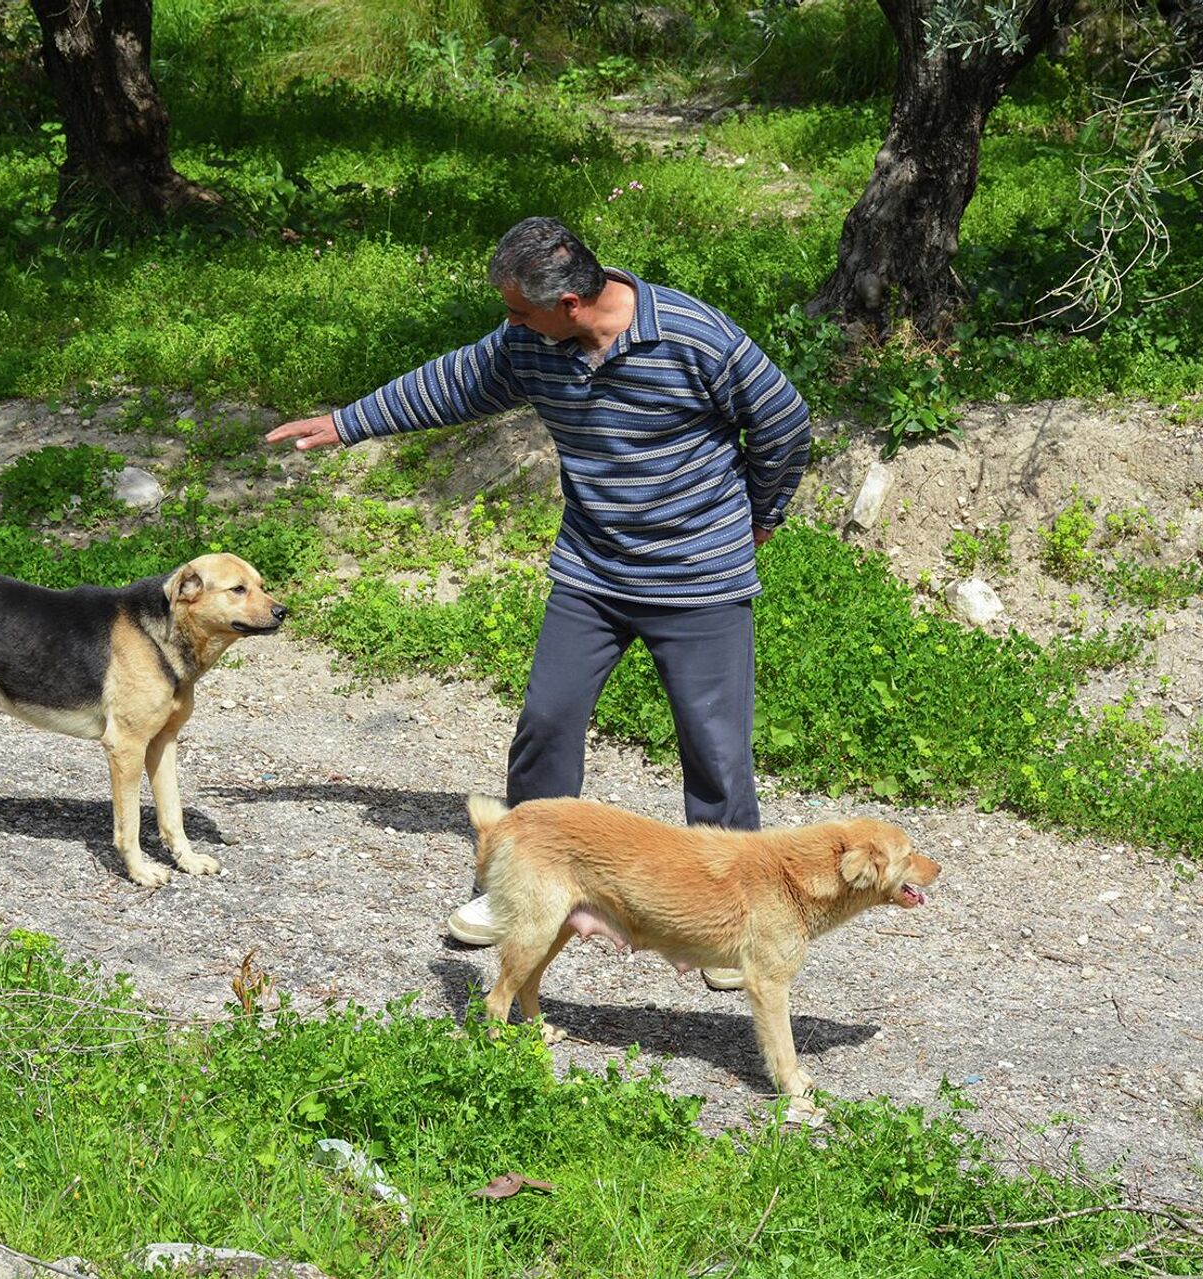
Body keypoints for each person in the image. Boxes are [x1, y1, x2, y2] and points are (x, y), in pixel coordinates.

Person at [265, 216, 811, 989]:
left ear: (574, 303)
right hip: (592, 572)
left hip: (699, 580)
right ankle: (516, 883)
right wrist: (349, 421)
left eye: (520, 311)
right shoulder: (532, 342)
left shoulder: (696, 336)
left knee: (716, 752)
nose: (508, 326)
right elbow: (452, 381)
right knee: (547, 721)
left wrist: (762, 516)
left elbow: (784, 421)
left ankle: (727, 922)